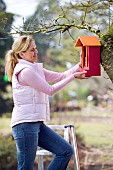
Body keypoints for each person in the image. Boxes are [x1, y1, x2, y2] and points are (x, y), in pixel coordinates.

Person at [5, 35, 87, 170]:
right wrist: (73, 77)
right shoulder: (25, 72)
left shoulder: (34, 69)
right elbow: (50, 90)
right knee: (26, 167)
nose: (36, 52)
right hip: (24, 125)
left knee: (65, 151)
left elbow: (60, 76)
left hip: (37, 123)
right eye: (32, 50)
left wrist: (79, 65)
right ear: (21, 54)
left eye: (35, 49)